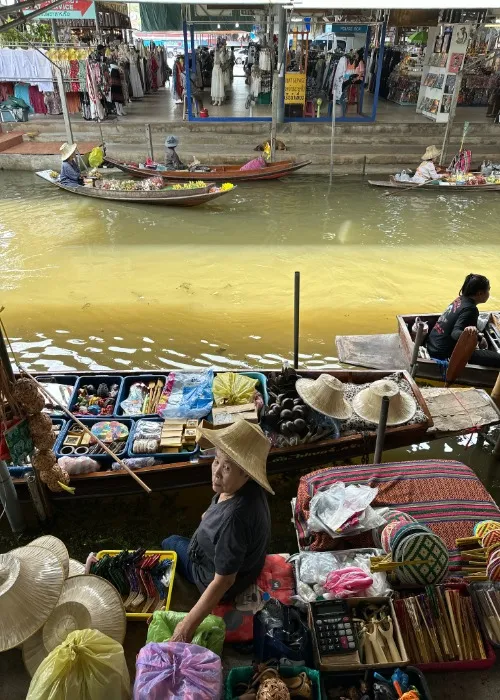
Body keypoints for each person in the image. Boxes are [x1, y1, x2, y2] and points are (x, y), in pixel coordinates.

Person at [161, 419, 273, 643]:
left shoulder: (234, 519)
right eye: (216, 461)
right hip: (241, 561)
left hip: (216, 577)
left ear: (246, 474)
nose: (217, 472)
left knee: (169, 543)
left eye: (228, 467)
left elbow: (224, 581)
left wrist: (186, 627)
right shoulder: (243, 488)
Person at [426, 274, 500, 368]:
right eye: (488, 290)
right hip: (443, 353)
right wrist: (478, 338)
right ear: (480, 293)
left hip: (432, 344)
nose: (489, 293)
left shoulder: (459, 300)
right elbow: (455, 333)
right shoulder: (471, 310)